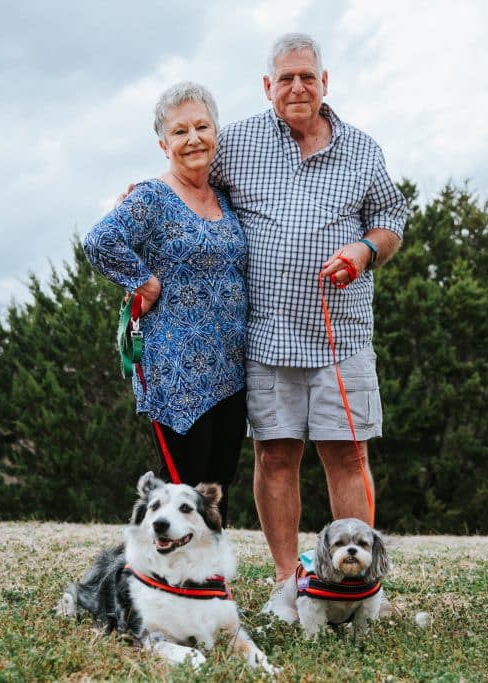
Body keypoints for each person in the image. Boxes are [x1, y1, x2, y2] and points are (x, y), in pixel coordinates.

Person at [209, 33, 408, 617]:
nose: (297, 87)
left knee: (348, 456)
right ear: (267, 86)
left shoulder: (362, 150)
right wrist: (146, 196)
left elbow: (392, 218)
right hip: (266, 337)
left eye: (308, 77)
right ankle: (285, 581)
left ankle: (358, 583)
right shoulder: (238, 142)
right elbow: (189, 175)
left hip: (340, 336)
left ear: (325, 82)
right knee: (274, 457)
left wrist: (366, 250)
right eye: (285, 78)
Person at [84, 82, 248, 526]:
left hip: (230, 369)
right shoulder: (153, 197)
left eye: (201, 126)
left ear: (216, 132)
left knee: (216, 487)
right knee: (182, 490)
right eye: (180, 131)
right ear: (163, 144)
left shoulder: (225, 196)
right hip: (176, 372)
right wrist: (144, 282)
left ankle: (210, 581)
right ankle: (171, 584)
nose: (193, 138)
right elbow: (100, 240)